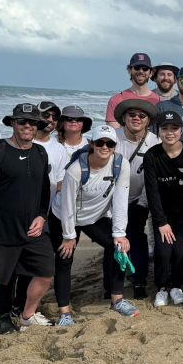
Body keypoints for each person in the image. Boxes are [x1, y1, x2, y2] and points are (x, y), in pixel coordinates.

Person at [0, 104, 55, 351]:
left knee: (46, 272)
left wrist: (41, 216)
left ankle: (27, 316)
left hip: (32, 231)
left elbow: (44, 190)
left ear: (37, 126)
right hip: (0, 231)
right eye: (21, 122)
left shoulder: (40, 153)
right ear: (12, 123)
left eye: (32, 122)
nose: (27, 126)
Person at [49, 125, 136, 325]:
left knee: (119, 249)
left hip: (94, 216)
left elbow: (121, 200)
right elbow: (67, 206)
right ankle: (64, 314)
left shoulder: (120, 164)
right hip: (64, 216)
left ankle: (117, 301)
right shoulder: (76, 169)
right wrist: (69, 236)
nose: (105, 147)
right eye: (100, 143)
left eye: (110, 143)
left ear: (115, 145)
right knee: (64, 258)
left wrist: (119, 233)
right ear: (92, 144)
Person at [0, 100, 68, 334]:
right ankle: (4, 314)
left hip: (40, 217)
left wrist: (43, 215)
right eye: (45, 115)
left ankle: (22, 310)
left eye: (54, 117)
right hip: (7, 220)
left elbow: (52, 184)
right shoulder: (10, 146)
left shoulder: (53, 148)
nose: (49, 120)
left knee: (33, 268)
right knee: (7, 271)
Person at [143, 111, 183, 309]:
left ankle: (176, 286)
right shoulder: (152, 155)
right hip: (162, 213)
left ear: (181, 130)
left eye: (174, 128)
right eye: (164, 128)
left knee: (180, 250)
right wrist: (161, 222)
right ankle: (162, 288)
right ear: (158, 130)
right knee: (163, 251)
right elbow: (152, 192)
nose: (169, 133)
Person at [113, 99, 160, 299]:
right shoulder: (111, 137)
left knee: (137, 240)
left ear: (148, 120)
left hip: (140, 199)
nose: (136, 118)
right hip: (112, 200)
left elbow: (154, 178)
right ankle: (113, 283)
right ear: (124, 117)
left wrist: (142, 203)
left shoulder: (155, 142)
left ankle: (139, 281)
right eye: (131, 114)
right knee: (113, 242)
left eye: (141, 116)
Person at [106, 53, 161, 129]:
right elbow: (113, 134)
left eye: (145, 68)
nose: (141, 71)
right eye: (137, 67)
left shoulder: (160, 102)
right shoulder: (116, 100)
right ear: (129, 71)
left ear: (151, 73)